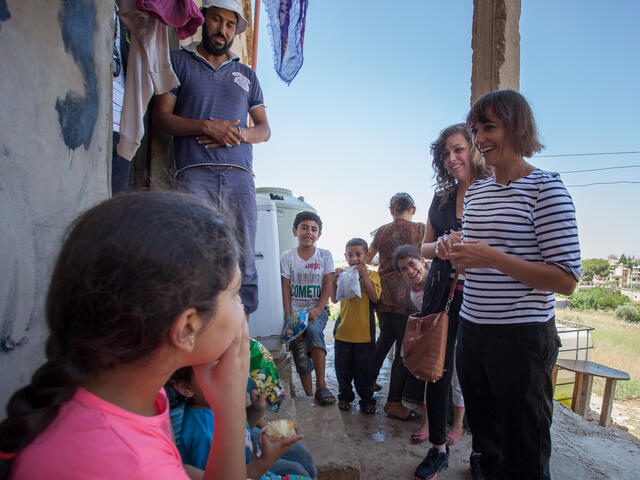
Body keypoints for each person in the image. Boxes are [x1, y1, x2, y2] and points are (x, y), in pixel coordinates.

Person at [0, 192, 250, 479]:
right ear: (187, 327)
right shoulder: (132, 465)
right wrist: (231, 410)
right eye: (235, 294)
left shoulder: (136, 389)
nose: (242, 309)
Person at [447, 90, 582, 480]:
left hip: (522, 338)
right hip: (473, 332)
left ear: (518, 127)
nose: (480, 138)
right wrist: (457, 253)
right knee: (486, 444)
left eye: (489, 127)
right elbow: (474, 267)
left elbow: (566, 279)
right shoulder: (478, 192)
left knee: (524, 447)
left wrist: (493, 257)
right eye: (476, 129)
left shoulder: (546, 189)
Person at [153, 0, 271, 316]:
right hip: (194, 173)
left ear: (235, 31)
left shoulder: (247, 74)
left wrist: (236, 134)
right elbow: (161, 119)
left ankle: (240, 341)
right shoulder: (177, 61)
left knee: (243, 258)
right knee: (192, 256)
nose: (222, 29)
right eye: (216, 20)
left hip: (239, 177)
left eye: (230, 24)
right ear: (203, 20)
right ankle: (195, 342)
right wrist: (205, 126)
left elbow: (264, 129)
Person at [414, 123, 492, 480]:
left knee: (478, 375)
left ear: (474, 148)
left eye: (458, 149)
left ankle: (480, 453)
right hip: (443, 297)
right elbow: (424, 247)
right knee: (437, 374)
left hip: (484, 299)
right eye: (445, 153)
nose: (451, 158)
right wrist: (443, 244)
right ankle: (438, 449)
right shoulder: (442, 198)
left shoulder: (495, 191)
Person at [168, 366, 316, 479]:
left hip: (245, 460)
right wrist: (264, 461)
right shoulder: (204, 435)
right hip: (244, 471)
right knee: (297, 470)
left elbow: (242, 429)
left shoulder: (217, 403)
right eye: (213, 372)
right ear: (186, 388)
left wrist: (257, 409)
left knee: (301, 454)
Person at [365, 193, 425, 423]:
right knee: (403, 349)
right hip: (406, 296)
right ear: (413, 209)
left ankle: (367, 382)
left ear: (391, 211)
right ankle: (394, 402)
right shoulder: (420, 229)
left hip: (382, 296)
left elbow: (368, 258)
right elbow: (428, 254)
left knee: (385, 338)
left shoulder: (380, 231)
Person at [281, 212, 336, 405]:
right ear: (295, 230)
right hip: (296, 314)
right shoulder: (287, 257)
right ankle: (310, 394)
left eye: (314, 229)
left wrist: (319, 308)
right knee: (300, 354)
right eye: (304, 227)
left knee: (313, 331)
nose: (308, 232)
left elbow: (328, 282)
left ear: (319, 235)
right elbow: (286, 287)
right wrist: (289, 316)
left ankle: (321, 386)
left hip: (317, 311)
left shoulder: (324, 255)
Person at [331, 238, 382, 413]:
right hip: (343, 333)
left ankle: (367, 400)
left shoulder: (373, 275)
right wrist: (333, 280)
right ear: (345, 256)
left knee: (364, 371)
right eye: (350, 255)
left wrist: (365, 277)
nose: (354, 259)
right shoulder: (344, 275)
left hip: (364, 335)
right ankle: (345, 397)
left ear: (366, 256)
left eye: (358, 255)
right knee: (343, 370)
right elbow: (334, 299)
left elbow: (375, 298)